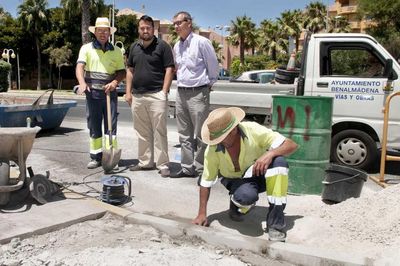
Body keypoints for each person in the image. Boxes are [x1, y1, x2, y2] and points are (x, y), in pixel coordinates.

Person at [192, 107, 298, 242]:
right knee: (245, 197)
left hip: (259, 173)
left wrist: (270, 153)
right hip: (234, 180)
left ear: (234, 129)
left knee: (279, 163)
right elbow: (206, 182)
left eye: (222, 138)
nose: (219, 142)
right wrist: (202, 214)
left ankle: (275, 225)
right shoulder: (212, 150)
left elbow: (292, 145)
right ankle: (236, 203)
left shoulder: (253, 130)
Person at [170, 11, 219, 178]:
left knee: (201, 134)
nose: (176, 26)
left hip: (198, 93)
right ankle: (187, 168)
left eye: (179, 23)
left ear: (189, 23)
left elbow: (213, 66)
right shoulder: (177, 46)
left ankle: (200, 169)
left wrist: (208, 85)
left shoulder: (202, 42)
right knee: (184, 134)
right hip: (181, 92)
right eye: (174, 23)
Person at [125, 15, 175, 177]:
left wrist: (164, 91)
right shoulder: (133, 47)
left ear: (153, 29)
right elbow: (130, 70)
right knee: (142, 132)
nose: (145, 30)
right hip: (137, 96)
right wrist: (128, 92)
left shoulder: (163, 46)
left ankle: (163, 165)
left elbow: (169, 69)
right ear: (139, 29)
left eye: (148, 27)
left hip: (157, 95)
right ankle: (145, 162)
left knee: (160, 131)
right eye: (142, 28)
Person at [75, 17, 126, 169]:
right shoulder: (86, 48)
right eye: (100, 30)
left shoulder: (116, 51)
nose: (103, 33)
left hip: (110, 93)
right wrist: (83, 83)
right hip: (93, 94)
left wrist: (115, 82)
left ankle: (111, 156)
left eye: (105, 30)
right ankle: (96, 157)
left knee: (111, 126)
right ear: (95, 32)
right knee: (94, 125)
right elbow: (79, 68)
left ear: (109, 33)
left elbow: (122, 71)